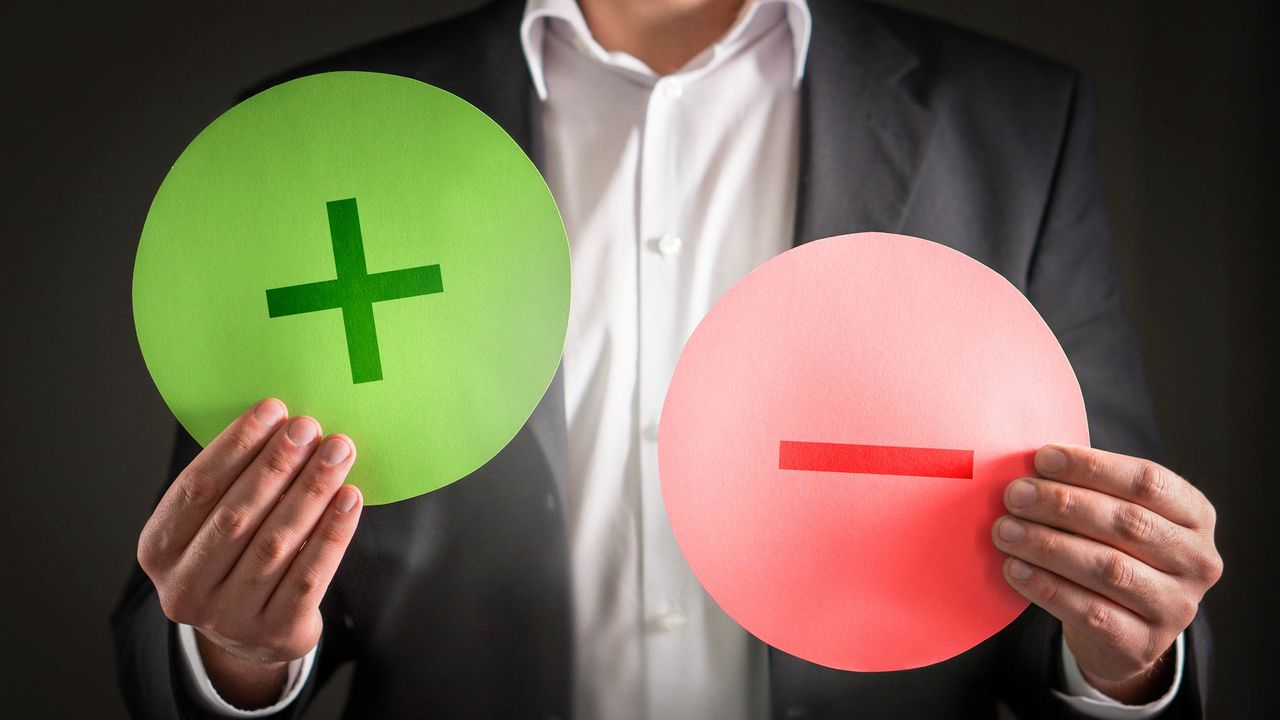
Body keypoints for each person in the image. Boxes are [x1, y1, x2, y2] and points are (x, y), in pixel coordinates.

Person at [113, 0, 1223, 718]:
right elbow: (195, 599)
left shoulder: (1017, 124)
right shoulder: (317, 140)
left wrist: (1119, 658)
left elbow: (1096, 577)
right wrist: (239, 656)